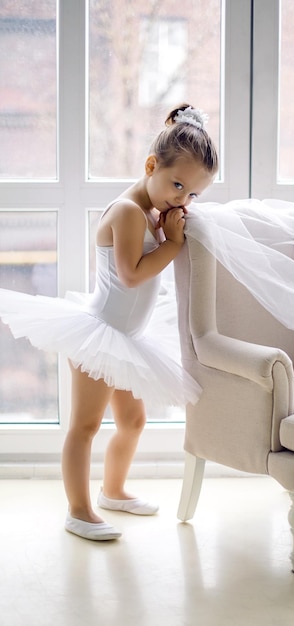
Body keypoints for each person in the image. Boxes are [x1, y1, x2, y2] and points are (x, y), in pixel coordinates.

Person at [0, 104, 218, 540]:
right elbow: (131, 273)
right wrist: (172, 242)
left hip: (127, 339)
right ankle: (78, 510)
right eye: (177, 185)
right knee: (85, 425)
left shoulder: (152, 214)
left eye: (192, 194)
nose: (182, 199)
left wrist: (168, 230)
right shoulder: (126, 212)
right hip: (98, 336)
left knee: (134, 422)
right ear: (151, 165)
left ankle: (113, 491)